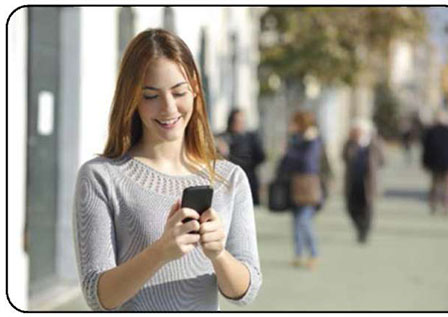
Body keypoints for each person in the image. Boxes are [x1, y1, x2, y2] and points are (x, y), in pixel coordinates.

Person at [72, 29, 262, 311]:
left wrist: (218, 254)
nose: (168, 108)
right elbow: (99, 298)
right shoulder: (101, 177)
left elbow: (245, 292)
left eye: (179, 92)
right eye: (151, 96)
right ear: (132, 98)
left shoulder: (229, 178)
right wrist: (161, 251)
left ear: (195, 89)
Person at [280, 110, 323, 270]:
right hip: (295, 184)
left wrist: (290, 153)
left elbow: (307, 162)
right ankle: (298, 254)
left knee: (304, 221)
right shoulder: (296, 139)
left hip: (308, 185)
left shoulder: (313, 139)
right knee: (296, 220)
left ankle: (313, 253)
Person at [342, 119, 384, 244]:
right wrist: (352, 143)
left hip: (368, 182)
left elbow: (382, 159)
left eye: (359, 130)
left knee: (367, 207)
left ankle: (364, 230)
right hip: (353, 180)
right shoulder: (350, 143)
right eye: (355, 131)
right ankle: (358, 226)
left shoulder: (373, 143)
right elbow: (344, 157)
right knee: (351, 208)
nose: (357, 133)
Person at [215, 109, 266, 205]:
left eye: (242, 121)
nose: (239, 124)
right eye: (236, 121)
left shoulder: (251, 138)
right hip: (227, 184)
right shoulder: (222, 137)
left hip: (249, 181)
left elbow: (261, 157)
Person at [422, 109, 448, 215]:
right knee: (446, 186)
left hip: (435, 163)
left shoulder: (431, 131)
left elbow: (426, 149)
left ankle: (434, 204)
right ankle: (446, 206)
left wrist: (425, 162)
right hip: (447, 163)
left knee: (435, 184)